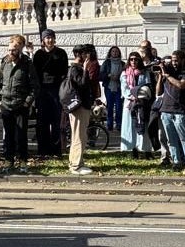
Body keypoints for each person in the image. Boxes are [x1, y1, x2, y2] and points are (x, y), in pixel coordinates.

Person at [0, 35, 34, 171]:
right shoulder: (5, 62)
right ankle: (8, 160)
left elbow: (34, 86)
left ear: (20, 49)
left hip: (21, 104)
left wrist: (27, 102)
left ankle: (22, 160)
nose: (11, 52)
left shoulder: (27, 63)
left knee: (21, 134)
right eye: (9, 50)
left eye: (14, 50)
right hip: (5, 104)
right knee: (8, 135)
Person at [157, 50, 185, 178]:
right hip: (166, 110)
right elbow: (158, 92)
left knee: (184, 138)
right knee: (171, 139)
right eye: (172, 61)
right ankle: (176, 161)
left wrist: (168, 76)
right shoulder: (167, 72)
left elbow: (181, 85)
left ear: (182, 60)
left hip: (180, 110)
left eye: (176, 60)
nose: (174, 63)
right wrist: (161, 76)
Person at [62, 45, 99, 176]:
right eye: (86, 54)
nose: (88, 56)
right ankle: (76, 165)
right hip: (79, 107)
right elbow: (82, 84)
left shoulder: (77, 68)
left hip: (82, 106)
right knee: (79, 136)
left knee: (80, 135)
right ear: (80, 55)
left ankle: (77, 162)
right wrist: (85, 69)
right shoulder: (75, 69)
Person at [32, 31, 68, 157]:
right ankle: (43, 149)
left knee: (56, 121)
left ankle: (56, 150)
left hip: (56, 90)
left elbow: (64, 72)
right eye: (47, 38)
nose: (50, 40)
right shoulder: (38, 54)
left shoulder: (61, 53)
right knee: (42, 122)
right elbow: (35, 73)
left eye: (52, 38)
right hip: (43, 91)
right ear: (43, 40)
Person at [120, 52, 154, 157]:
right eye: (131, 59)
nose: (133, 61)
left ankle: (146, 150)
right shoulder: (125, 73)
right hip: (130, 103)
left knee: (143, 124)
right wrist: (133, 96)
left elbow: (147, 86)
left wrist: (140, 95)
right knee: (130, 126)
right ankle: (133, 149)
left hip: (142, 102)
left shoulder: (144, 72)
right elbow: (124, 89)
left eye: (136, 59)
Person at [101, 46, 124, 131]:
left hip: (119, 88)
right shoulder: (106, 63)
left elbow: (125, 75)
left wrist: (119, 77)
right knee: (109, 107)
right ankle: (109, 125)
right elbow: (101, 74)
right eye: (113, 51)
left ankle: (119, 125)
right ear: (110, 53)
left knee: (119, 107)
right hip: (109, 87)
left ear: (119, 53)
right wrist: (108, 75)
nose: (115, 53)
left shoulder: (122, 64)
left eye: (116, 51)